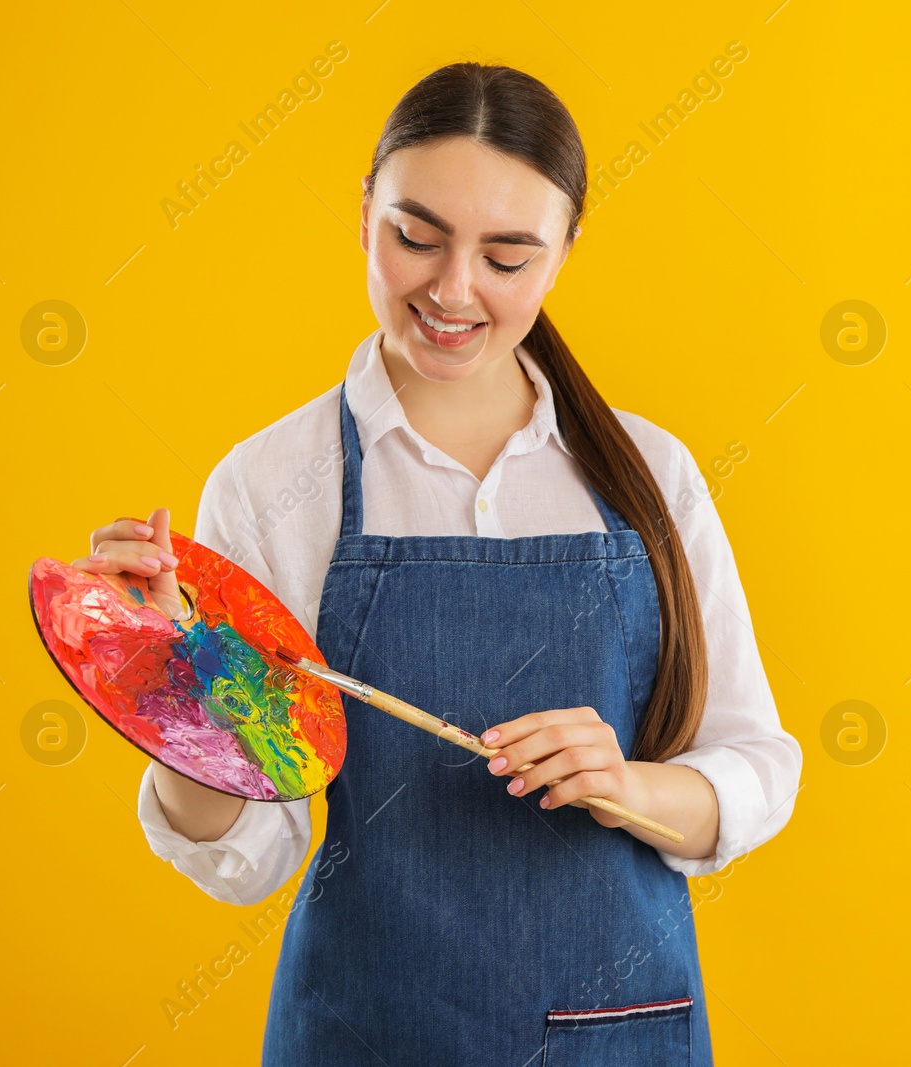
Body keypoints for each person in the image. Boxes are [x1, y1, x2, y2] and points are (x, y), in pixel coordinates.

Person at [73, 62, 801, 1065]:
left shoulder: (650, 474)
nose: (452, 290)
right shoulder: (274, 483)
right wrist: (168, 689)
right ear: (364, 211)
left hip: (614, 1032)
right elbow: (246, 858)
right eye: (415, 236)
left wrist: (622, 779)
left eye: (507, 257)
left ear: (564, 253)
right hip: (368, 1029)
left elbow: (755, 765)